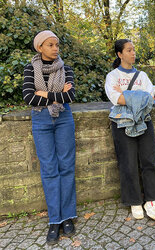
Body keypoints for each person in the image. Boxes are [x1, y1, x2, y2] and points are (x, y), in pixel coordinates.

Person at [23, 30, 77, 245]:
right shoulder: (30, 69)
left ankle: (67, 217)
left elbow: (70, 96)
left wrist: (44, 94)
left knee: (67, 166)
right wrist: (57, 95)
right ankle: (54, 220)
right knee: (49, 169)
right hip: (41, 121)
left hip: (64, 118)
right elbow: (28, 98)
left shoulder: (67, 68)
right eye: (50, 45)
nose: (56, 48)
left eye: (57, 45)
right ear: (40, 47)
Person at [105, 39, 155, 221]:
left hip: (144, 121)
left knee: (149, 160)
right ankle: (134, 200)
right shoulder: (112, 76)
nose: (133, 53)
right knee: (128, 162)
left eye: (134, 50)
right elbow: (116, 99)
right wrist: (137, 96)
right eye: (129, 50)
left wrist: (126, 95)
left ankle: (152, 199)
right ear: (120, 54)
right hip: (122, 123)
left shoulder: (143, 76)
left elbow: (149, 98)